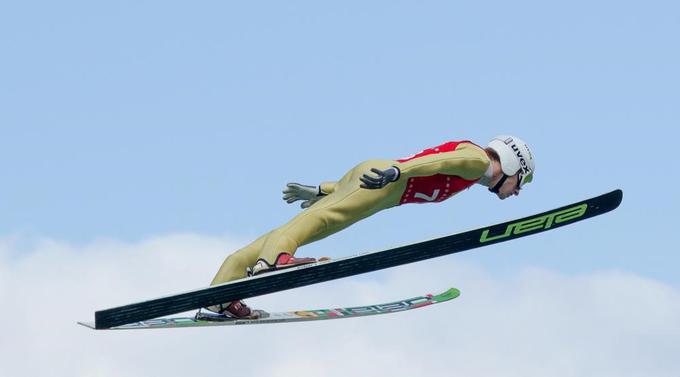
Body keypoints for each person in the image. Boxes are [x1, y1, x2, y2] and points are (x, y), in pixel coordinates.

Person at [207, 135, 535, 318]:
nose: (516, 190)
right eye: (519, 180)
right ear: (510, 162)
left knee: (305, 223)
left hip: (382, 182)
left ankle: (218, 296)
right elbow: (439, 162)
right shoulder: (477, 159)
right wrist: (399, 171)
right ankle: (276, 260)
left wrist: (323, 190)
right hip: (389, 182)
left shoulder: (472, 168)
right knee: (321, 219)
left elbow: (435, 163)